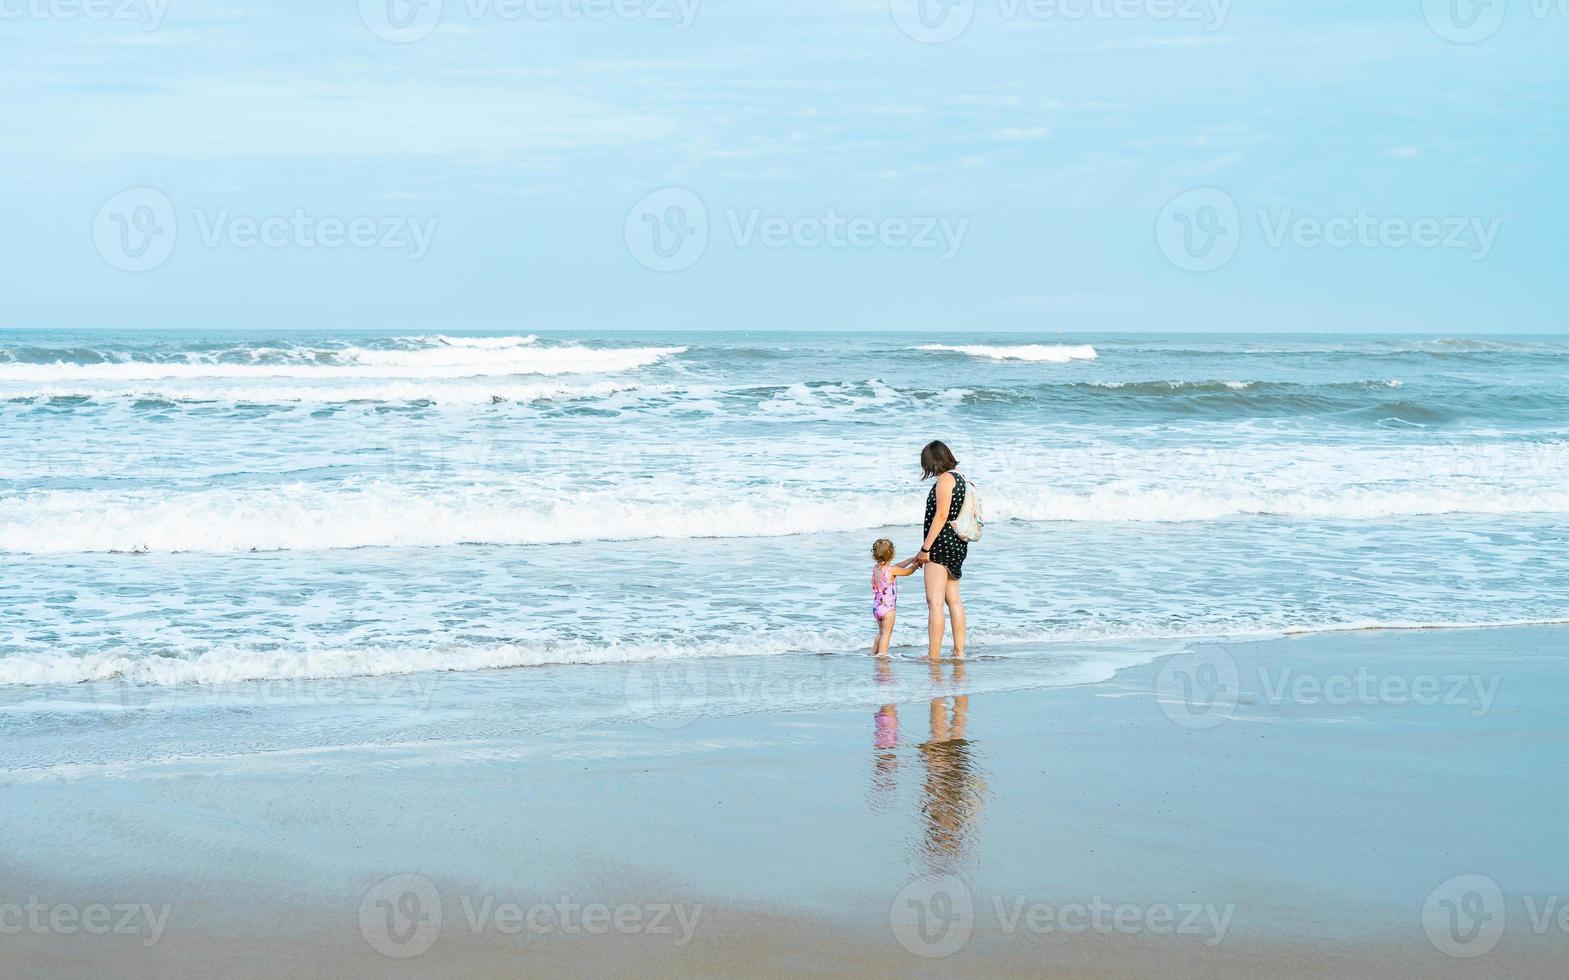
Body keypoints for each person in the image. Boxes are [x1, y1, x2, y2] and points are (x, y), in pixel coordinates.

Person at [913, 440, 968, 660]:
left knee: (934, 602)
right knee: (953, 599)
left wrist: (926, 548)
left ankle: (933, 655)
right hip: (957, 544)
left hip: (941, 545)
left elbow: (942, 515)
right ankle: (958, 652)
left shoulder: (945, 480)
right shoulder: (961, 479)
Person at [870, 538, 920, 656]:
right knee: (886, 633)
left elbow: (897, 567)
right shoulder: (891, 570)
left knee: (881, 633)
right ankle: (882, 655)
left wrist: (909, 560)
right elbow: (907, 572)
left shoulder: (877, 568)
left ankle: (875, 653)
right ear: (892, 554)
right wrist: (917, 564)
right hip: (888, 609)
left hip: (877, 607)